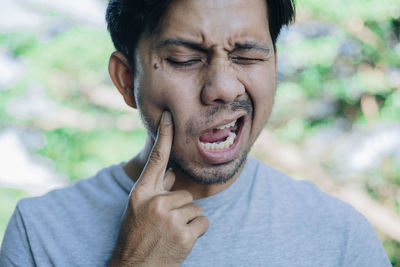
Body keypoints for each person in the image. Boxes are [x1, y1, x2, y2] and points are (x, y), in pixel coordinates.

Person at [0, 0, 391, 266]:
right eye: (185, 59)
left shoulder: (341, 236)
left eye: (247, 56)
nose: (223, 87)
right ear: (125, 79)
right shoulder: (39, 232)